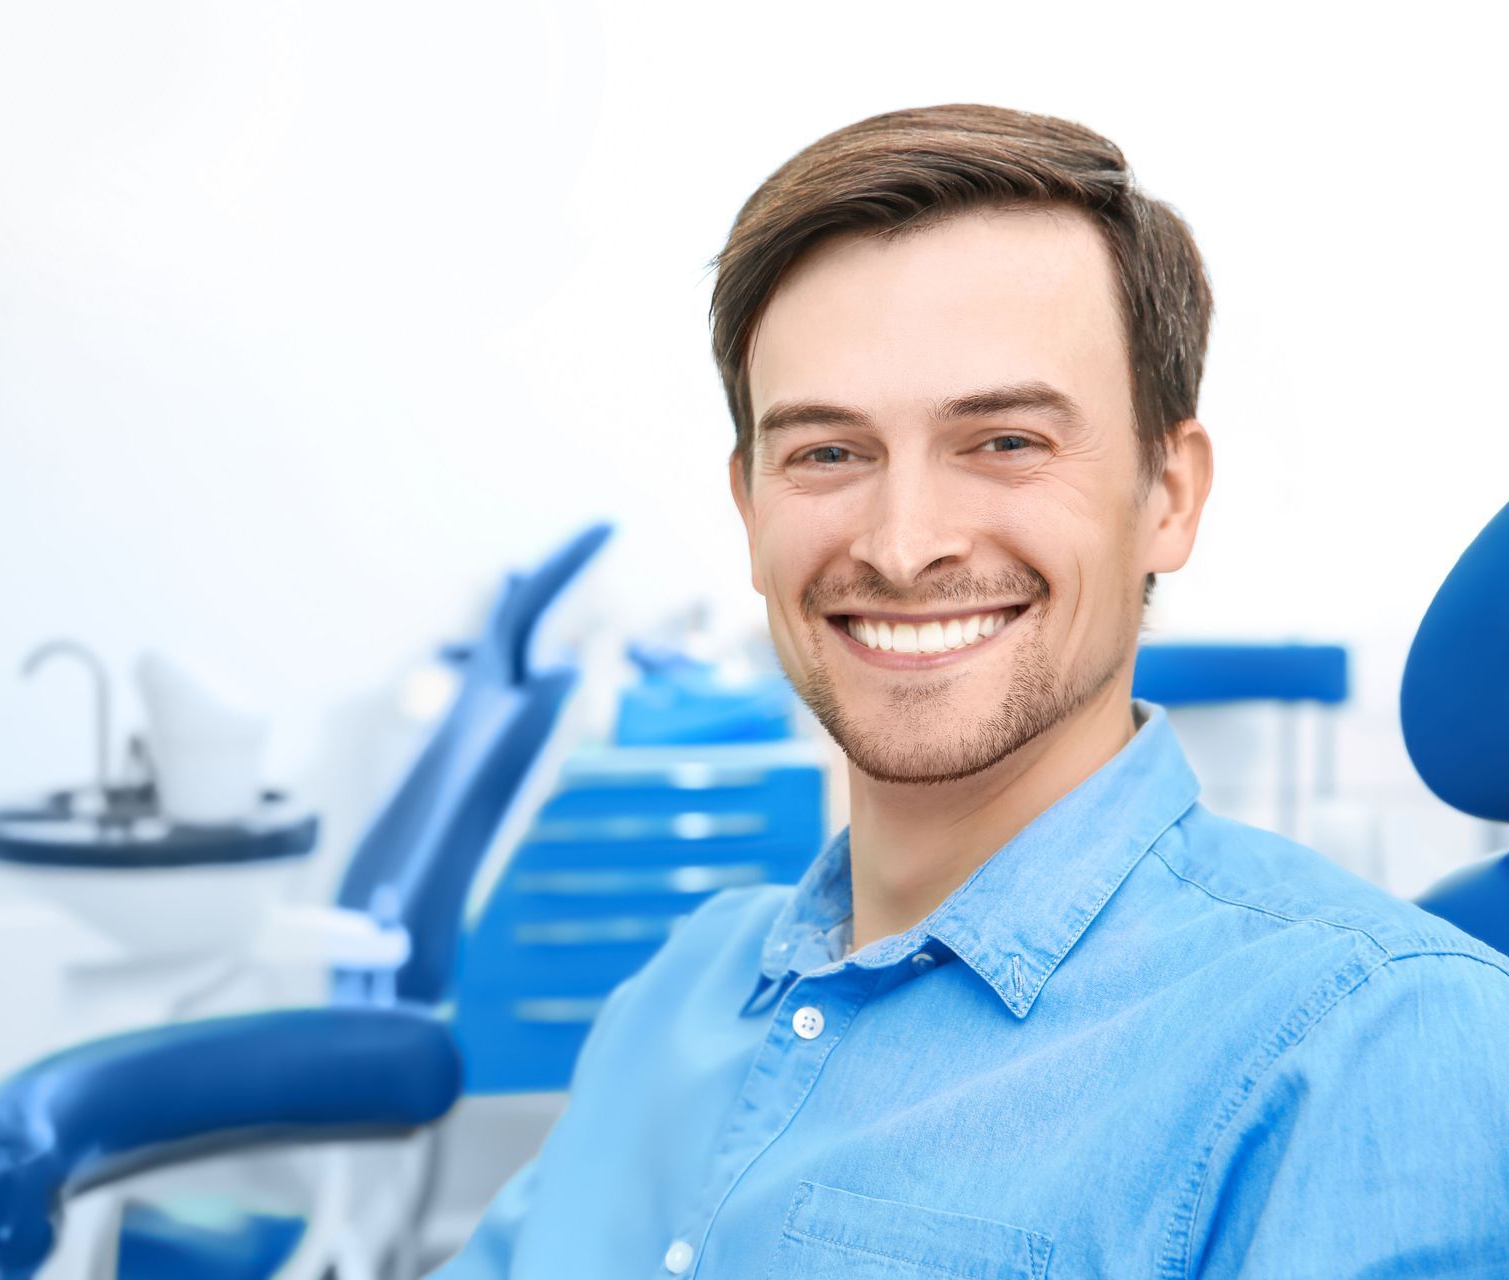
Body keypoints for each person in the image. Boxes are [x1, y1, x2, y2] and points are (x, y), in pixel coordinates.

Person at [428, 104, 1509, 1278]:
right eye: (828, 453)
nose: (902, 545)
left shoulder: (1376, 1037)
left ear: (1169, 494)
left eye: (1004, 441)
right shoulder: (678, 987)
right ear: (751, 510)